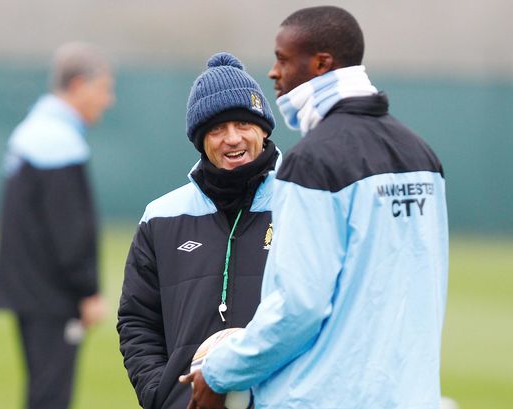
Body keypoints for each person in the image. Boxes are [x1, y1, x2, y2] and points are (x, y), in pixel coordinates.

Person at [181, 6, 449, 409]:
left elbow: (298, 307)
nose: (273, 72)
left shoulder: (312, 161)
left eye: (283, 59)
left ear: (322, 64)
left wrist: (218, 373)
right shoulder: (421, 154)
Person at [117, 52, 281, 409]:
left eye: (243, 124)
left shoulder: (302, 203)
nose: (232, 139)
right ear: (200, 140)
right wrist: (160, 394)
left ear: (264, 129)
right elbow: (137, 320)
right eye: (217, 129)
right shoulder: (161, 217)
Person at [0, 42, 114, 409]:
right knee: (51, 397)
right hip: (52, 294)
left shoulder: (35, 129)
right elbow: (70, 229)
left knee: (42, 391)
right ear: (78, 85)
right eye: (104, 89)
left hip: (31, 290)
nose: (108, 100)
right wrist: (87, 290)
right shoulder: (57, 140)